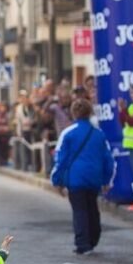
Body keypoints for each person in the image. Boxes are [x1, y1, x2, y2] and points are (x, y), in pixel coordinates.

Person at [51, 99, 115, 255]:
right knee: (92, 208)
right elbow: (108, 159)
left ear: (73, 113)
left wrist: (57, 180)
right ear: (90, 112)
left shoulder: (68, 133)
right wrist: (107, 180)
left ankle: (83, 243)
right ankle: (93, 238)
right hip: (94, 178)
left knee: (80, 210)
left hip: (76, 178)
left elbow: (61, 159)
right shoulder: (99, 134)